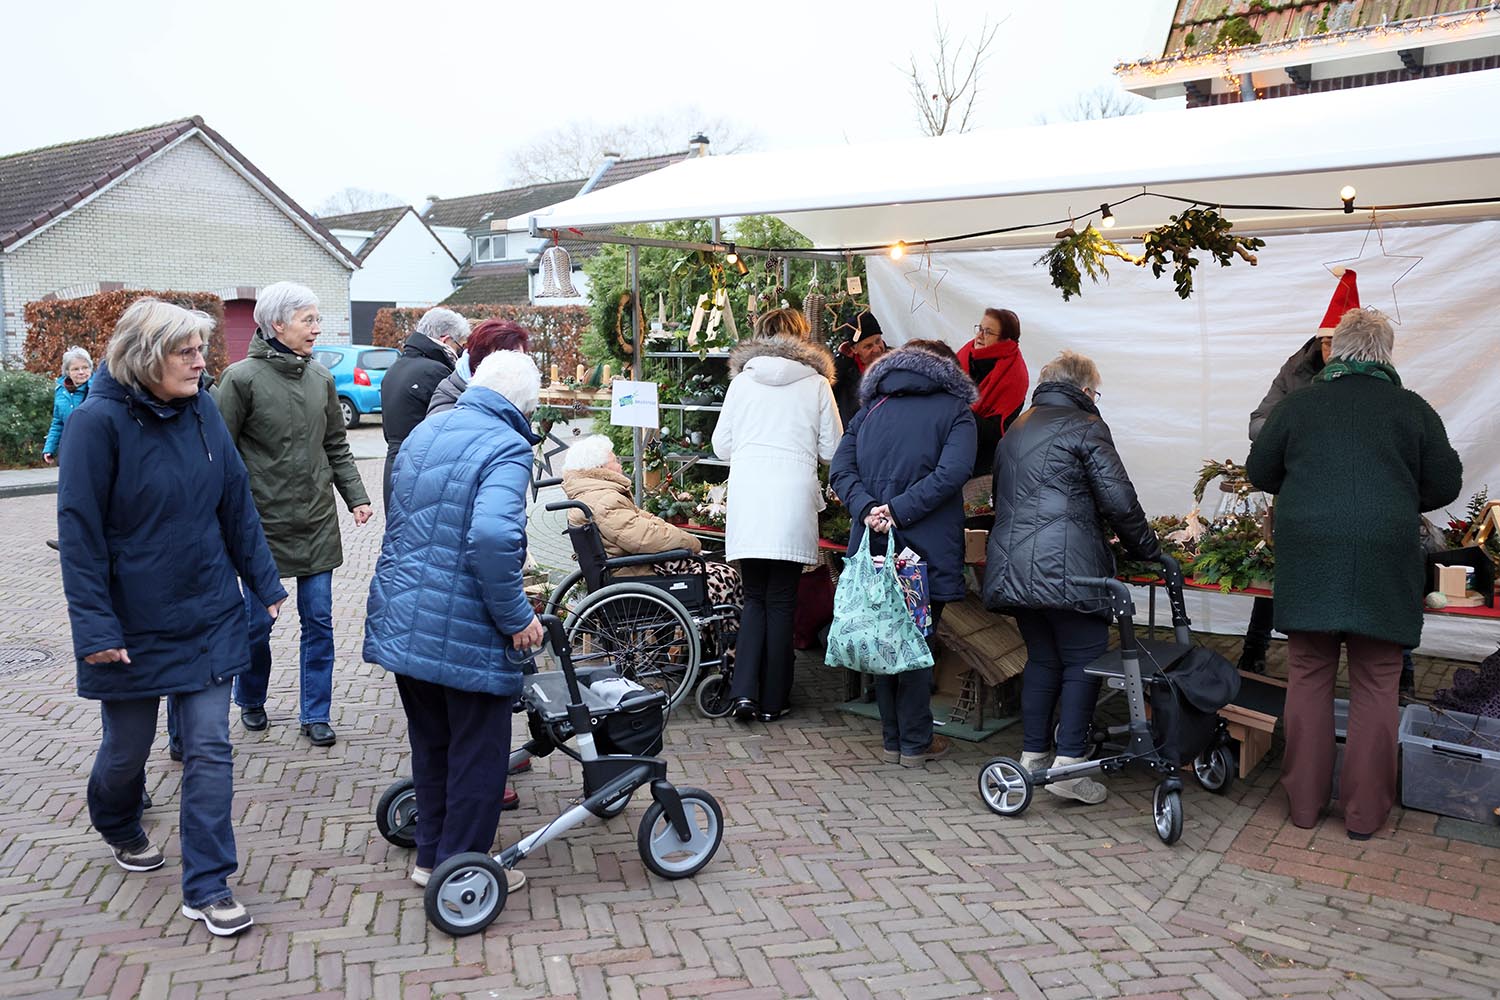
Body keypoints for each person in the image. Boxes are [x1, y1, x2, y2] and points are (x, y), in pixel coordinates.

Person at [58, 298, 287, 937]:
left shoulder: (203, 410)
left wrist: (262, 580)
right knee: (127, 752)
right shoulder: (94, 424)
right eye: (184, 351)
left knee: (211, 748)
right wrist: (96, 630)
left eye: (200, 349)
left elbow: (236, 501)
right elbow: (79, 536)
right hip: (130, 622)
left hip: (208, 610)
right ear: (143, 356)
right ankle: (117, 821)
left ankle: (209, 885)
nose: (199, 362)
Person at [1247, 306, 1461, 840]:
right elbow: (1447, 482)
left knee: (1309, 673)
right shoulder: (1411, 409)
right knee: (1376, 682)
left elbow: (1258, 471)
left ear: (1335, 350)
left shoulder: (1300, 405)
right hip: (1385, 554)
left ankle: (1303, 805)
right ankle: (1364, 815)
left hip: (1311, 552)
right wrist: (1400, 493)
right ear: (1386, 354)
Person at [364, 350, 544, 891]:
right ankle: (463, 866)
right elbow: (492, 538)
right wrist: (517, 618)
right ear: (524, 406)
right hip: (466, 626)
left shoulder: (427, 431)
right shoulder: (507, 447)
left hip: (405, 616)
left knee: (433, 743)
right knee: (478, 752)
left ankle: (431, 856)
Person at [983, 351, 1161, 804]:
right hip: (1071, 571)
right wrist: (1149, 550)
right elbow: (1118, 500)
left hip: (1013, 567)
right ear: (1085, 391)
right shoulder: (1086, 426)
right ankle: (1069, 766)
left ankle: (1033, 757)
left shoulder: (1015, 430)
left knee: (1043, 660)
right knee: (1084, 659)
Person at [214, 282, 373, 748]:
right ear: (277, 324)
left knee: (319, 620)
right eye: (309, 320)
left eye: (316, 319)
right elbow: (220, 454)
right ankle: (252, 698)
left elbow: (336, 445)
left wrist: (356, 496)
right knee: (257, 624)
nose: (316, 328)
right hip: (261, 526)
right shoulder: (239, 379)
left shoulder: (321, 378)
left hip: (316, 520)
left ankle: (315, 712)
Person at [829, 340, 977, 766]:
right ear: (948, 371)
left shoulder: (871, 408)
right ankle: (914, 741)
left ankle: (895, 738)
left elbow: (841, 470)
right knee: (915, 640)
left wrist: (869, 510)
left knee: (884, 634)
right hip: (923, 548)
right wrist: (897, 511)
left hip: (872, 541)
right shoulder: (955, 411)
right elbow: (953, 473)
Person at [712, 307, 841, 722]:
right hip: (791, 497)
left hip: (750, 496)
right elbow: (832, 450)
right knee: (782, 600)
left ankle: (744, 692)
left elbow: (721, 447)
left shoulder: (743, 382)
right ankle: (774, 698)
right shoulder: (818, 384)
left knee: (754, 598)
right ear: (802, 338)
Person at [1239, 271, 1352, 675]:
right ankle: (1254, 651)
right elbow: (1257, 422)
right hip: (1297, 491)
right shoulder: (1294, 370)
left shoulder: (1369, 380)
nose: (1330, 350)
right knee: (1277, 568)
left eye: (1338, 344)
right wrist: (1295, 432)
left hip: (1349, 497)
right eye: (1325, 342)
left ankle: (1398, 668)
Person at [561, 435, 744, 608]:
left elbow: (644, 524)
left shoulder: (592, 496)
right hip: (636, 578)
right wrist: (691, 541)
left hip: (625, 573)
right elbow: (646, 538)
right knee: (724, 575)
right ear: (600, 469)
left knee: (713, 568)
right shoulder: (604, 501)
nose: (620, 466)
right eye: (615, 461)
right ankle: (726, 639)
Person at [381, 307, 470, 506]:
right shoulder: (436, 372)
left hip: (393, 464)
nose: (460, 351)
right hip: (420, 466)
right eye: (459, 345)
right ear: (446, 339)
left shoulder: (396, 368)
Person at [957, 308, 1028, 478]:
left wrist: (958, 411)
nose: (979, 336)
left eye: (988, 332)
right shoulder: (963, 356)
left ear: (1006, 341)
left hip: (980, 463)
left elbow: (997, 431)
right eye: (979, 328)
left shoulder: (1015, 377)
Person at [427, 318, 530, 417]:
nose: (517, 368)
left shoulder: (514, 394)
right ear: (479, 362)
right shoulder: (450, 399)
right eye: (508, 362)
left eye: (521, 360)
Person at [831, 310, 886, 426]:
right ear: (854, 349)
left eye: (878, 341)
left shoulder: (896, 360)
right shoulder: (845, 371)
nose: (876, 349)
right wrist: (842, 359)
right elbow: (828, 388)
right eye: (868, 346)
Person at [42, 346, 93, 465]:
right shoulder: (61, 391)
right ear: (68, 372)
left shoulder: (98, 389)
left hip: (93, 448)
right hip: (70, 448)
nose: (81, 372)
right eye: (75, 369)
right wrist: (49, 448)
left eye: (85, 368)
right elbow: (58, 422)